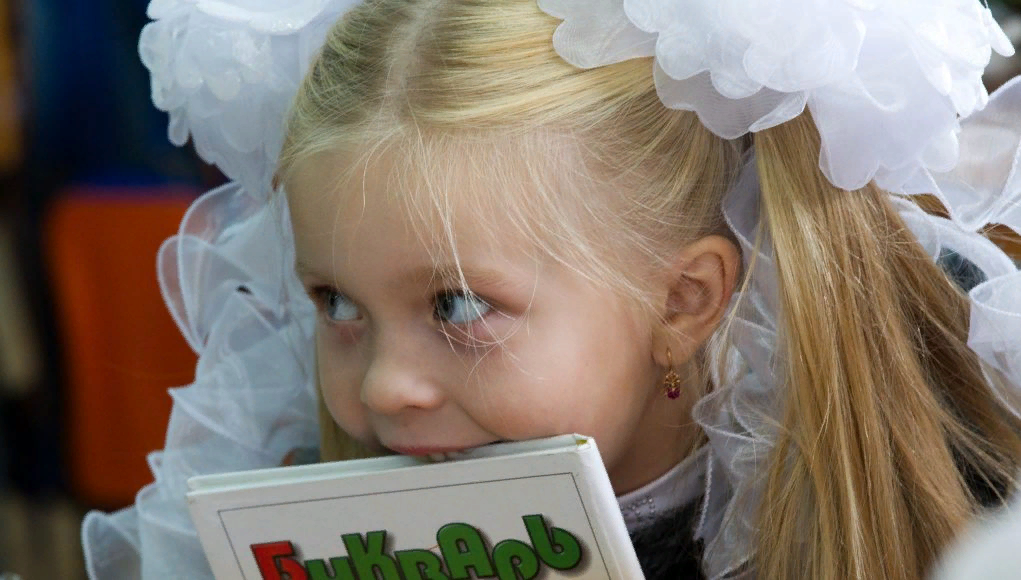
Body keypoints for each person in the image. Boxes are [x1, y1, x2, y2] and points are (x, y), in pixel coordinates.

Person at [82, 1, 1021, 579]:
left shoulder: (937, 526)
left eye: (458, 306)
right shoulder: (296, 493)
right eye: (336, 304)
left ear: (683, 302)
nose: (382, 389)